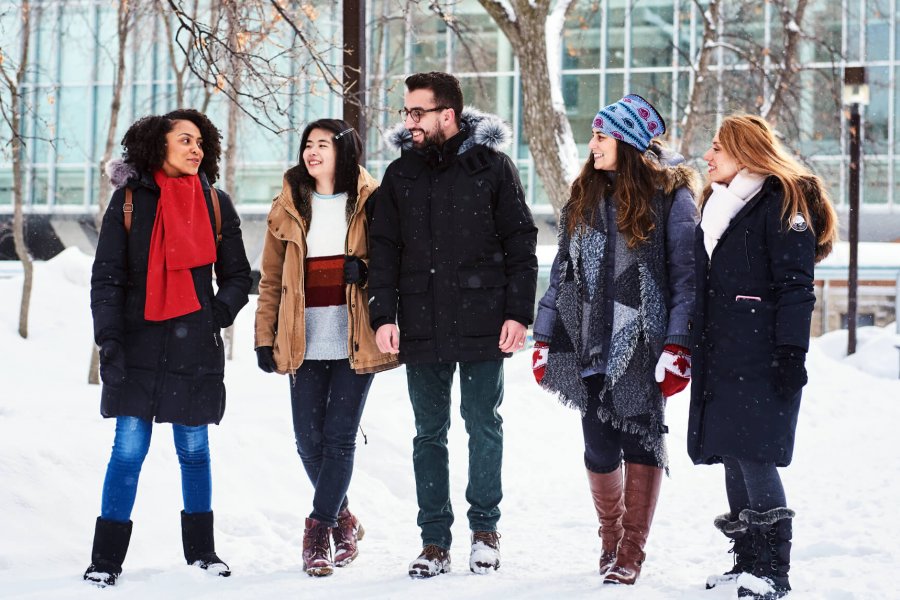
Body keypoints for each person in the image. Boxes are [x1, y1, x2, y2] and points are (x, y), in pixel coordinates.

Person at [367, 71, 538, 578]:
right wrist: (383, 314)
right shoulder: (401, 175)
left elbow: (521, 244)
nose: (409, 122)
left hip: (484, 318)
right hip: (420, 320)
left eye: (417, 112)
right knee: (428, 433)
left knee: (483, 425)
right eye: (405, 112)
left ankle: (485, 531)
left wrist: (518, 312)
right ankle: (434, 540)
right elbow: (384, 251)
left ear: (448, 114)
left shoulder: (493, 167)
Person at [532, 94, 698, 586]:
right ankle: (609, 536)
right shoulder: (584, 194)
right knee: (598, 445)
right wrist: (544, 337)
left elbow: (686, 278)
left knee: (639, 440)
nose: (592, 144)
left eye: (601, 136)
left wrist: (678, 345)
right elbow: (563, 270)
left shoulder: (671, 196)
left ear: (625, 142)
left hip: (643, 341)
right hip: (588, 338)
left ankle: (631, 549)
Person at [86, 109, 252, 586]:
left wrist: (213, 316)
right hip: (137, 346)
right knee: (128, 450)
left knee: (195, 449)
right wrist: (109, 340)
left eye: (201, 141)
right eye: (185, 140)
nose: (196, 148)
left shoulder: (216, 203)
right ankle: (105, 560)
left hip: (193, 347)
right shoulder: (130, 201)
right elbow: (108, 278)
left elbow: (239, 277)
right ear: (160, 146)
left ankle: (202, 552)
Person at [689, 114, 837, 599]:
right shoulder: (722, 205)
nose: (708, 156)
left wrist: (791, 352)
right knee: (733, 454)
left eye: (717, 148)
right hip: (723, 352)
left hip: (762, 354)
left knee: (755, 456)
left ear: (745, 152)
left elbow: (796, 286)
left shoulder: (783, 202)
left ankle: (774, 571)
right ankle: (747, 561)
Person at [254, 119, 398, 577]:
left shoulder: (373, 201)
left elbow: (395, 260)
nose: (312, 152)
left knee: (337, 438)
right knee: (307, 442)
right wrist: (263, 336)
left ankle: (318, 531)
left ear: (343, 151)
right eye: (307, 145)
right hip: (303, 334)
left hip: (354, 331)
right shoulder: (288, 205)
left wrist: (365, 270)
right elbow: (272, 279)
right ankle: (345, 518)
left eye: (322, 144)